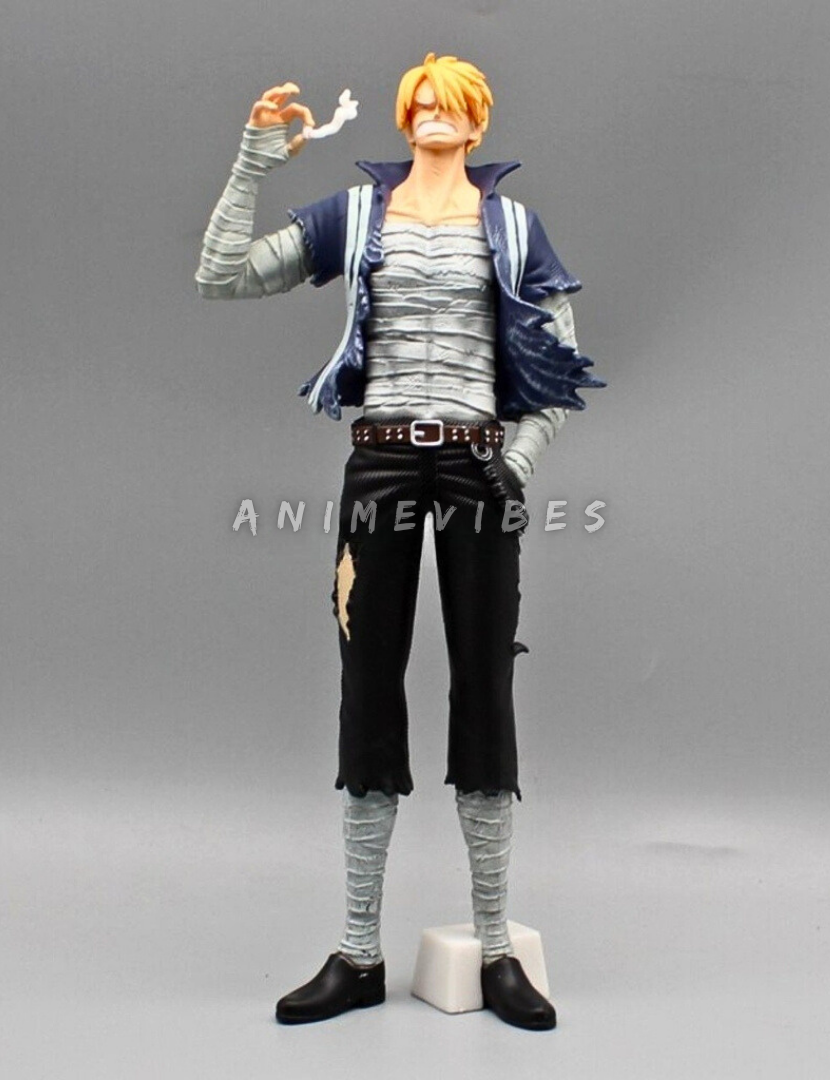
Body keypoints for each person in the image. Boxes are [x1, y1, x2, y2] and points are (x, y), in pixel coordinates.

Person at [196, 53, 603, 1031]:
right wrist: (253, 158)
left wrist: (520, 460)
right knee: (367, 690)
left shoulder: (512, 227)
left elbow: (561, 355)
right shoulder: (356, 216)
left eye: (449, 104)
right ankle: (358, 950)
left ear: (477, 120)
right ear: (403, 116)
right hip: (379, 462)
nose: (431, 114)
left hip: (477, 467)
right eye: (419, 102)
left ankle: (497, 949)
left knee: (485, 692)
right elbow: (221, 275)